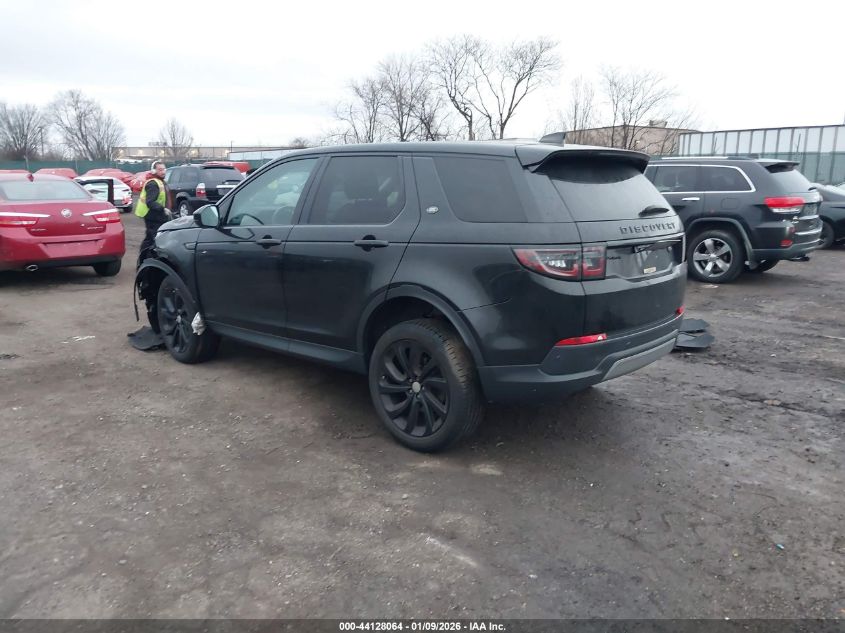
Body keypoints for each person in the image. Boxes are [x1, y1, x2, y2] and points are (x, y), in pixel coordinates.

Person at [135, 160, 171, 263]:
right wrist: (163, 209)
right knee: (152, 239)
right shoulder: (153, 184)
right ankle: (144, 261)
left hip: (159, 216)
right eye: (160, 170)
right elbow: (150, 202)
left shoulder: (161, 182)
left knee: (151, 238)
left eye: (164, 169)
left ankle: (145, 260)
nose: (163, 172)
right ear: (154, 171)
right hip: (152, 217)